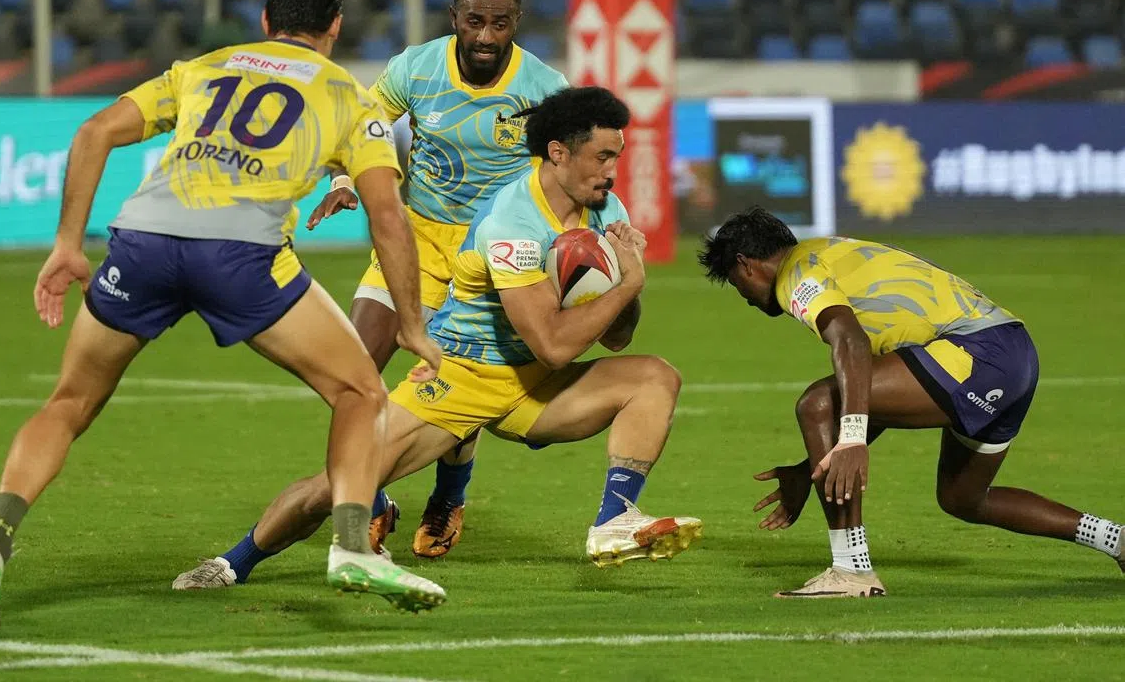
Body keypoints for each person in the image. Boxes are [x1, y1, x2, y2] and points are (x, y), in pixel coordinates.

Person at [0, 0, 449, 635]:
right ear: (335, 25)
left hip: (142, 241)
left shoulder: (206, 66)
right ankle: (353, 546)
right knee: (360, 392)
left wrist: (67, 244)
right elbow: (387, 214)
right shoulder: (351, 97)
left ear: (265, 20)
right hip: (240, 254)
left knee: (68, 403)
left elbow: (93, 133)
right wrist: (410, 322)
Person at [175, 87, 702, 580]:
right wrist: (627, 283)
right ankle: (231, 564)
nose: (612, 171)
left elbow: (616, 338)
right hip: (461, 378)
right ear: (559, 153)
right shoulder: (513, 225)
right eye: (602, 157)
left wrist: (625, 282)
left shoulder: (606, 210)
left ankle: (614, 520)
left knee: (655, 378)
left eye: (617, 157)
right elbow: (554, 344)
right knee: (336, 487)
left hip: (536, 386)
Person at [172, 0, 569, 591]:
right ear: (454, 18)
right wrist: (341, 178)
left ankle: (448, 495)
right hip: (413, 244)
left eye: (500, 23)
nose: (486, 35)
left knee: (456, 385)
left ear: (516, 22)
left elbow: (567, 170)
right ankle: (375, 496)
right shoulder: (417, 68)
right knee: (351, 372)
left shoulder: (545, 89)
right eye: (474, 21)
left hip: (495, 259)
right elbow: (362, 121)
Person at [698, 207, 1125, 598]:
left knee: (817, 405)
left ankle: (851, 570)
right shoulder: (834, 252)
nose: (746, 298)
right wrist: (812, 468)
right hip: (1014, 352)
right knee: (963, 497)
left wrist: (850, 438)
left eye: (737, 285)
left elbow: (849, 340)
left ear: (746, 264)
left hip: (976, 355)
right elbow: (880, 385)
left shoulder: (798, 274)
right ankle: (1116, 539)